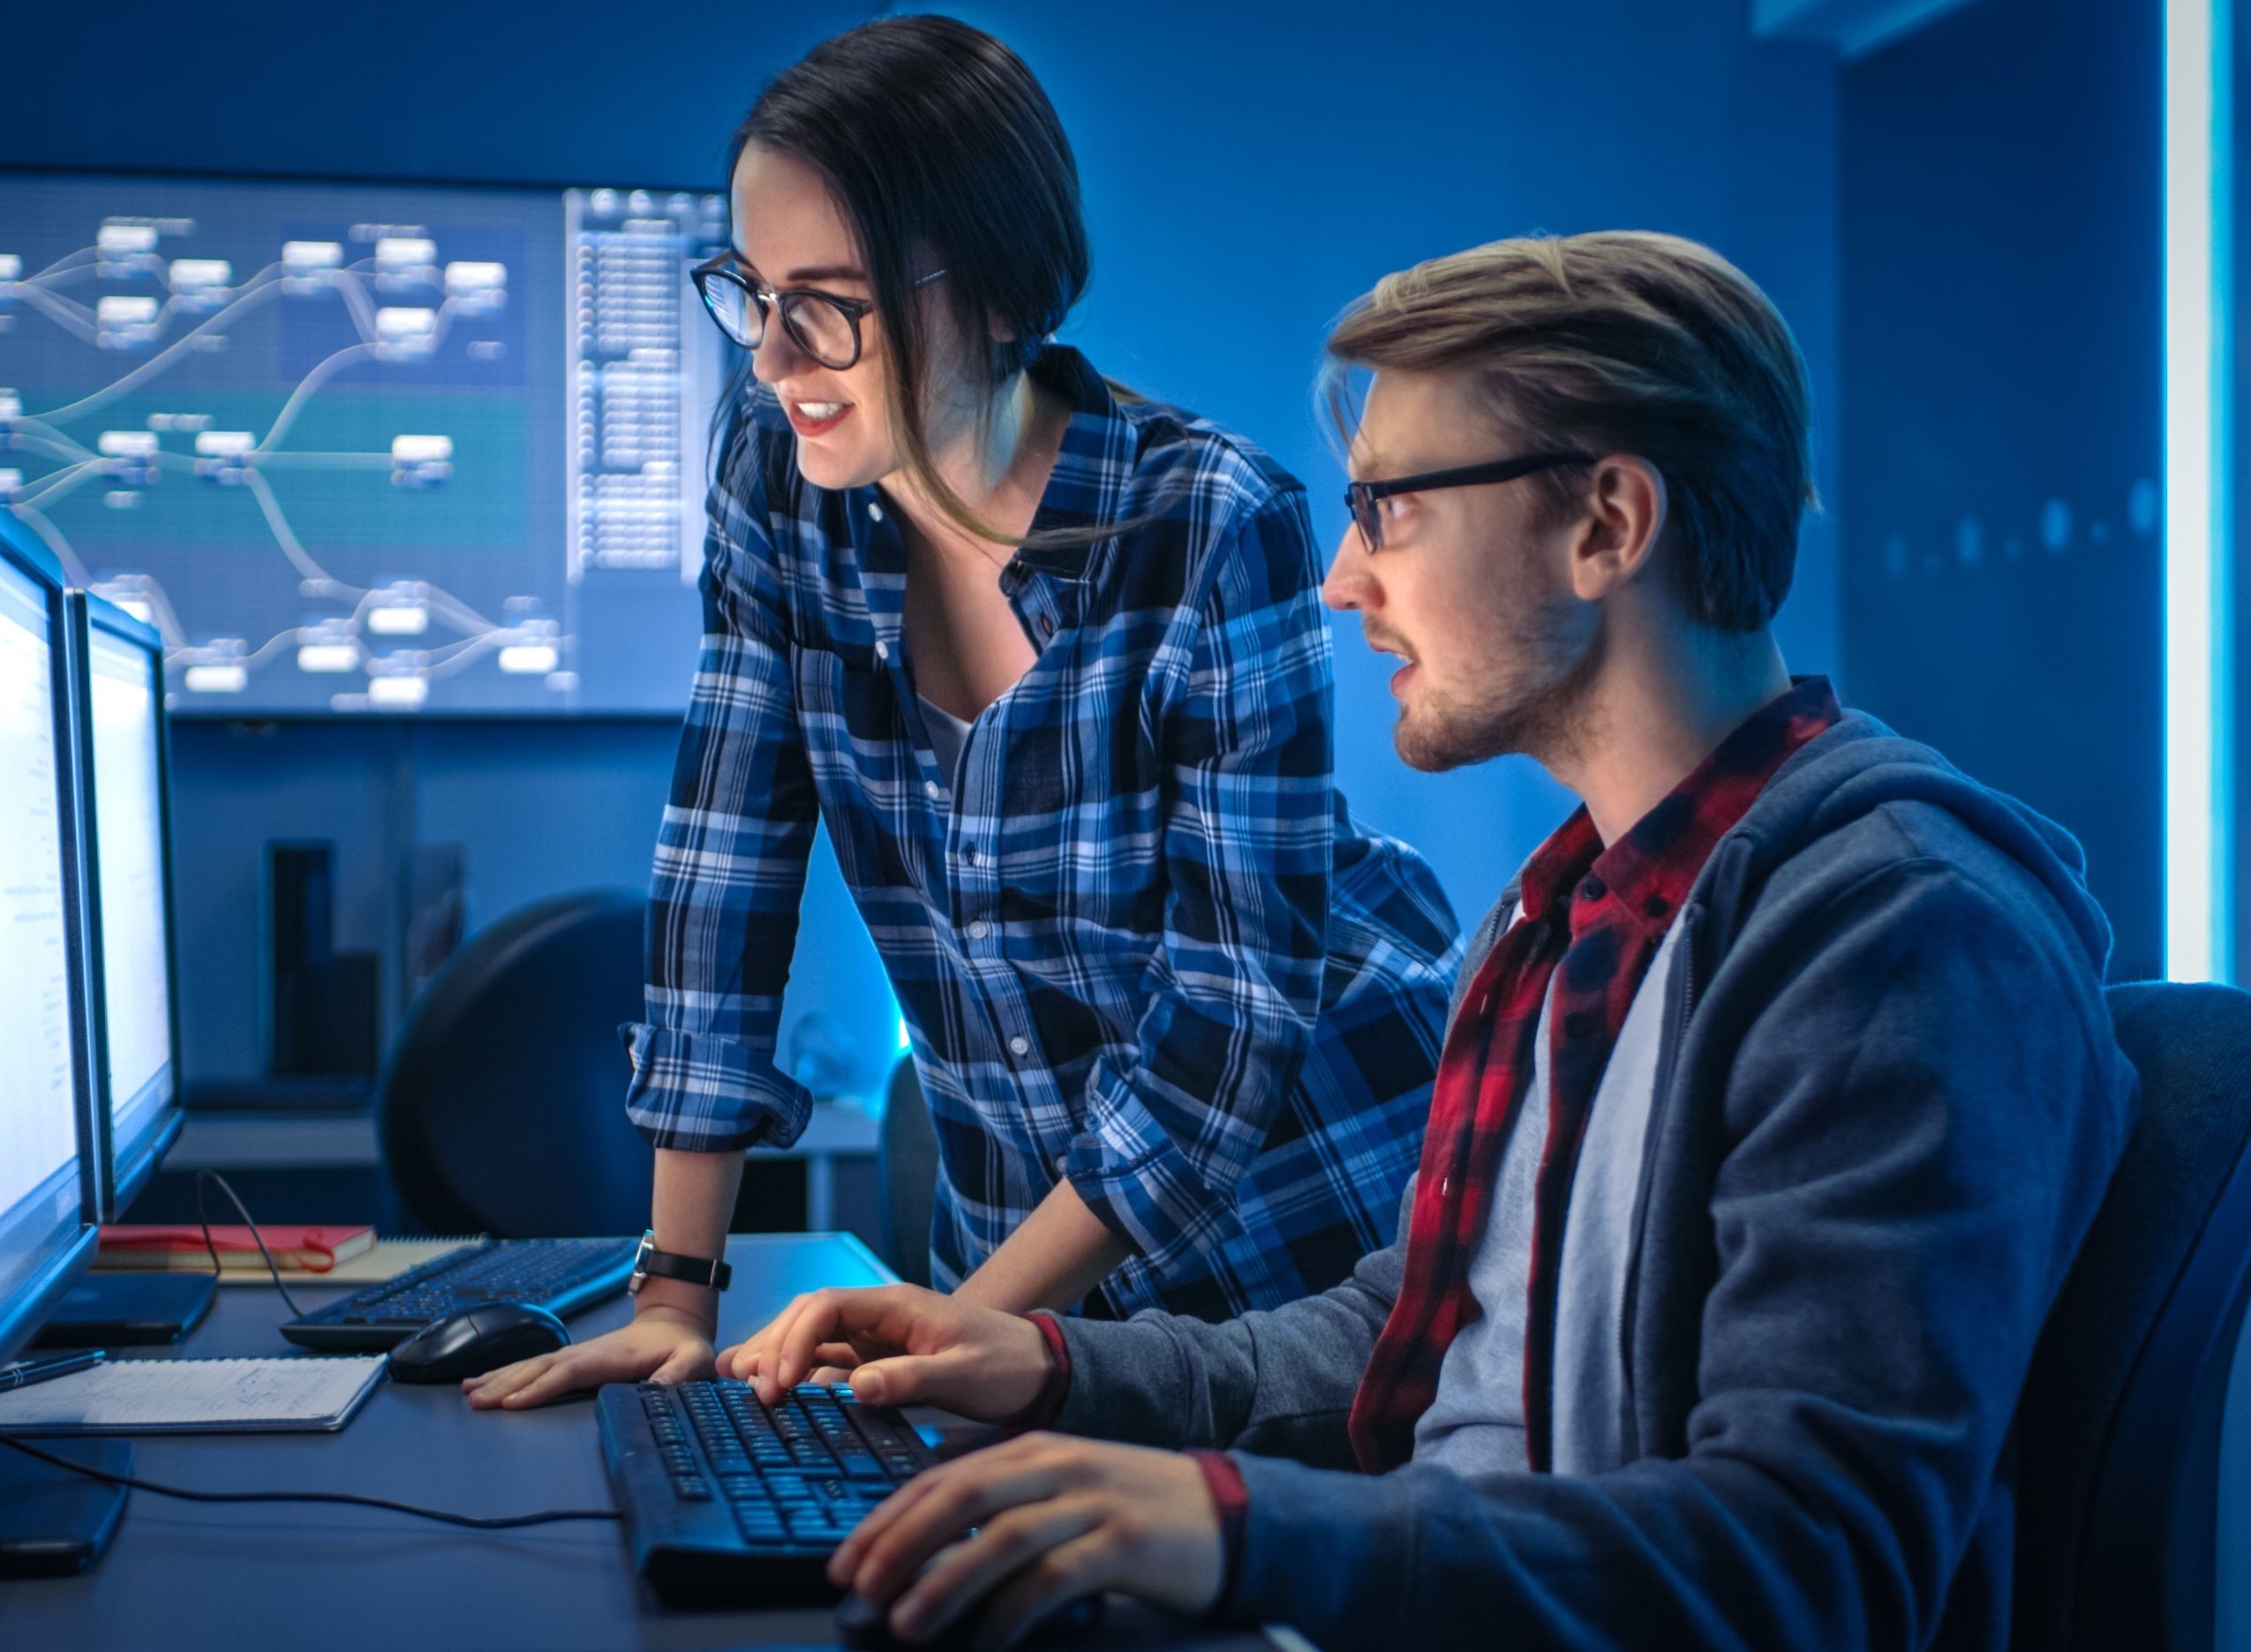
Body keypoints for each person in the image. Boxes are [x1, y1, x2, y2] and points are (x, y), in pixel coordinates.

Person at [715, 231, 2139, 1650]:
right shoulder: (1566, 912)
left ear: (1605, 525)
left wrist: (1243, 1533)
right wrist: (1043, 1367)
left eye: (1387, 509)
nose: (1340, 580)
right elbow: (1399, 1342)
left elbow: (1807, 1559)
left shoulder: (1897, 941)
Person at [464, 16, 1458, 1412]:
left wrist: (954, 1334)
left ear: (995, 293)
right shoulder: (777, 475)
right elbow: (724, 860)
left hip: (1297, 1222)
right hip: (1003, 1257)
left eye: (827, 304)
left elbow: (1229, 1019)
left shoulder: (1209, 521)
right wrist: (674, 1293)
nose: (772, 358)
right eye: (752, 293)